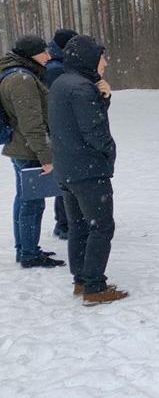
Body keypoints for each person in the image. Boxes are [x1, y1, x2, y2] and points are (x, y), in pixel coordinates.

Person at [48, 35, 127, 305]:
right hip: (88, 170)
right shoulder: (82, 88)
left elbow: (76, 121)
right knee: (102, 227)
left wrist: (102, 97)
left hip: (68, 169)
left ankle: (81, 280)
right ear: (89, 58)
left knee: (80, 226)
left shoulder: (62, 83)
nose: (105, 62)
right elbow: (94, 131)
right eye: (101, 56)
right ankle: (94, 286)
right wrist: (109, 151)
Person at [0, 34, 64, 269]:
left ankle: (25, 248)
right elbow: (31, 123)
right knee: (32, 203)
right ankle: (28, 253)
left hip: (21, 147)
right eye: (43, 52)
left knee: (24, 199)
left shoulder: (18, 73)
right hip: (28, 150)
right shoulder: (22, 80)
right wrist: (46, 157)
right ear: (29, 55)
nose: (48, 56)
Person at [46, 28, 77, 240]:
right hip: (60, 129)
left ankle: (66, 221)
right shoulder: (56, 68)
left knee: (66, 176)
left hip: (59, 128)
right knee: (67, 177)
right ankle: (65, 223)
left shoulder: (57, 63)